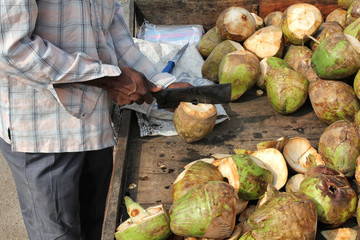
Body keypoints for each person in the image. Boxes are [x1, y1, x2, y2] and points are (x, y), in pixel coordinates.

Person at [0, 1, 190, 239]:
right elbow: (12, 48)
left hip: (95, 128)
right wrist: (108, 78)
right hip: (44, 136)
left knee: (100, 226)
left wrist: (160, 83)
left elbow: (112, 30)